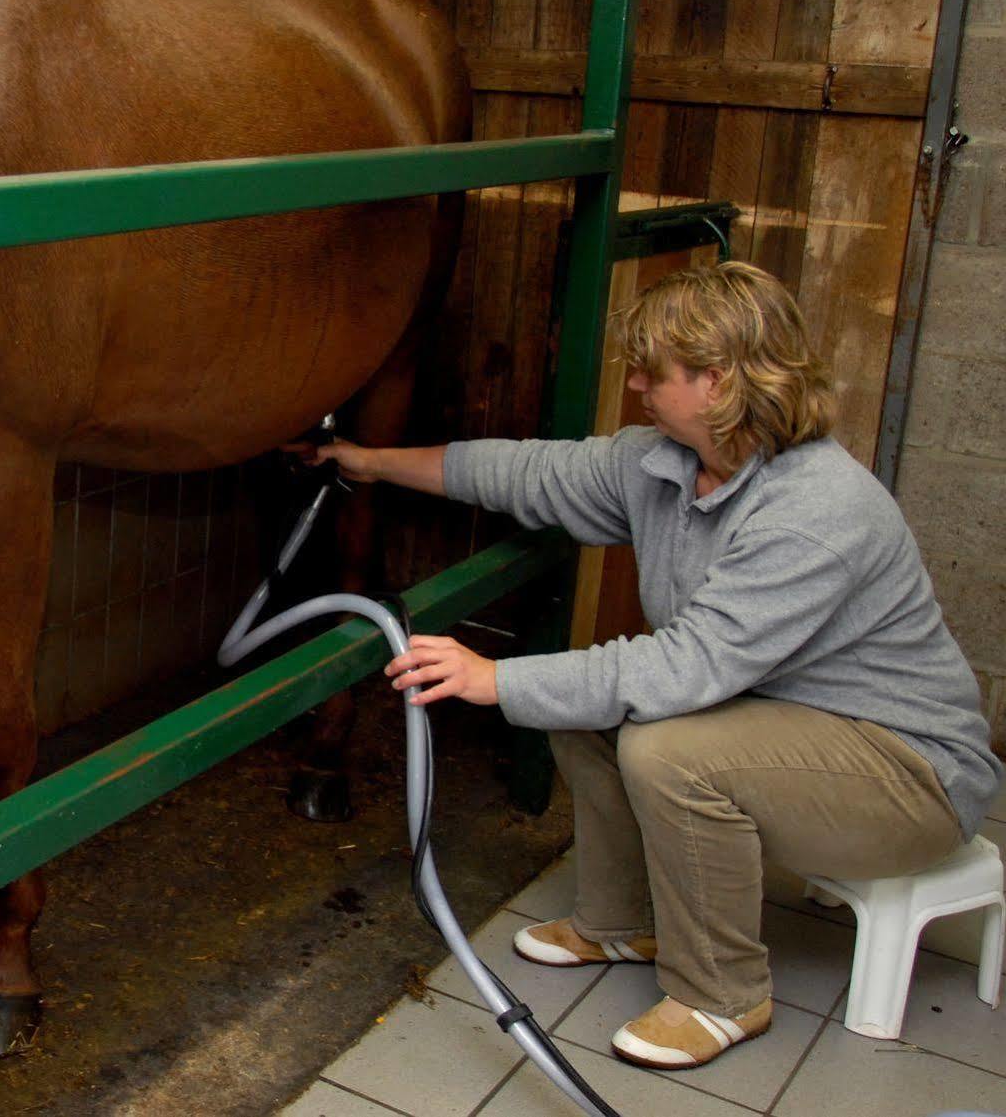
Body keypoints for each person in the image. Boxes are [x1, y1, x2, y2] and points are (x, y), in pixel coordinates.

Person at [296, 260, 1003, 1071]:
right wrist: (373, 460)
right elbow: (526, 472)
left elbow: (685, 668)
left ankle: (723, 993)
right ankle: (618, 919)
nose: (632, 383)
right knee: (584, 704)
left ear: (716, 381)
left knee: (666, 748)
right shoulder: (665, 461)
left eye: (650, 370)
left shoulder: (814, 510)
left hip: (908, 775)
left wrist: (497, 679)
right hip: (789, 725)